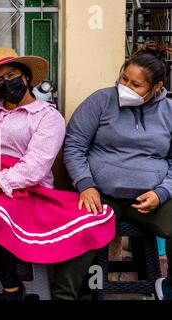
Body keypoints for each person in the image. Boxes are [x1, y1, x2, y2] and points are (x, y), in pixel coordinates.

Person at [0, 47, 116, 300]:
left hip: (25, 188)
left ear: (26, 77)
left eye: (12, 75)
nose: (7, 83)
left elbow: (36, 165)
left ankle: (11, 287)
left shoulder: (47, 117)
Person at [62, 42, 172, 300]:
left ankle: (167, 289)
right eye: (124, 78)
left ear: (156, 88)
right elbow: (74, 145)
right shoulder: (100, 101)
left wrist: (162, 192)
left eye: (136, 85)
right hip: (101, 194)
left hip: (151, 199)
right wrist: (85, 183)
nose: (126, 87)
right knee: (80, 229)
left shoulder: (168, 111)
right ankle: (63, 295)